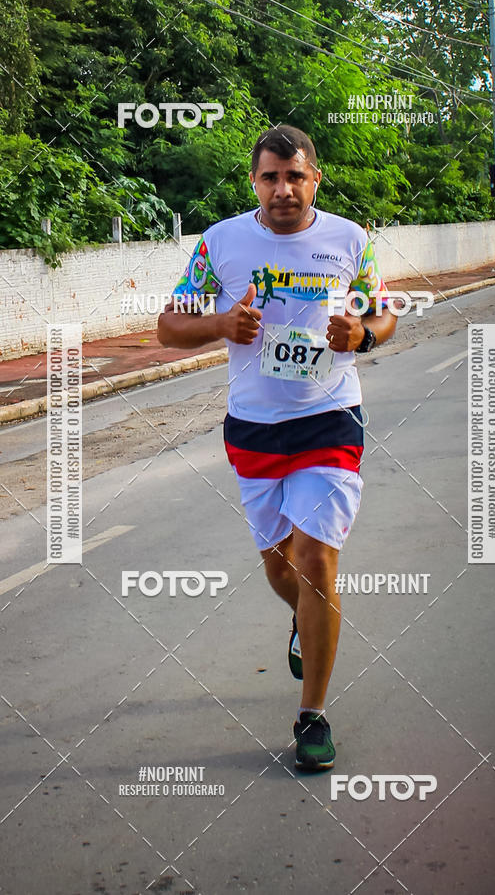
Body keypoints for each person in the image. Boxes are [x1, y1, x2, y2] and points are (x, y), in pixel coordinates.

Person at [158, 125, 399, 771]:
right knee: (279, 568)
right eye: (271, 177)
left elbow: (384, 313)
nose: (283, 189)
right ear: (254, 182)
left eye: (296, 176)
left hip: (329, 419)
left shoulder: (351, 240)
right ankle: (306, 620)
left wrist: (364, 336)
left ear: (315, 178)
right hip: (255, 430)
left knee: (317, 560)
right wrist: (218, 323)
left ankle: (311, 714)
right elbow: (168, 324)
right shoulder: (219, 244)